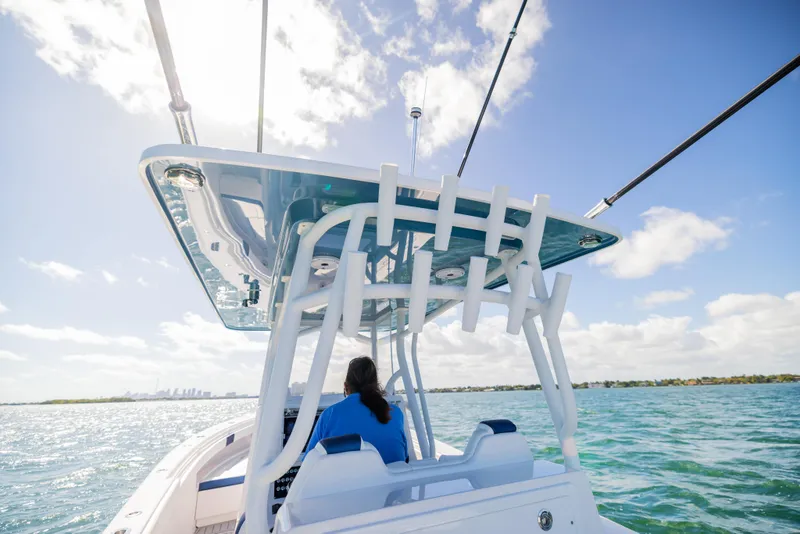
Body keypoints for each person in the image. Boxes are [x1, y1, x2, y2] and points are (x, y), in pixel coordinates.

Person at [306, 356, 408, 464]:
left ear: (346, 386)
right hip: (394, 481)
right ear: (376, 386)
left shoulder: (329, 415)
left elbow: (308, 462)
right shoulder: (395, 413)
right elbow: (404, 457)